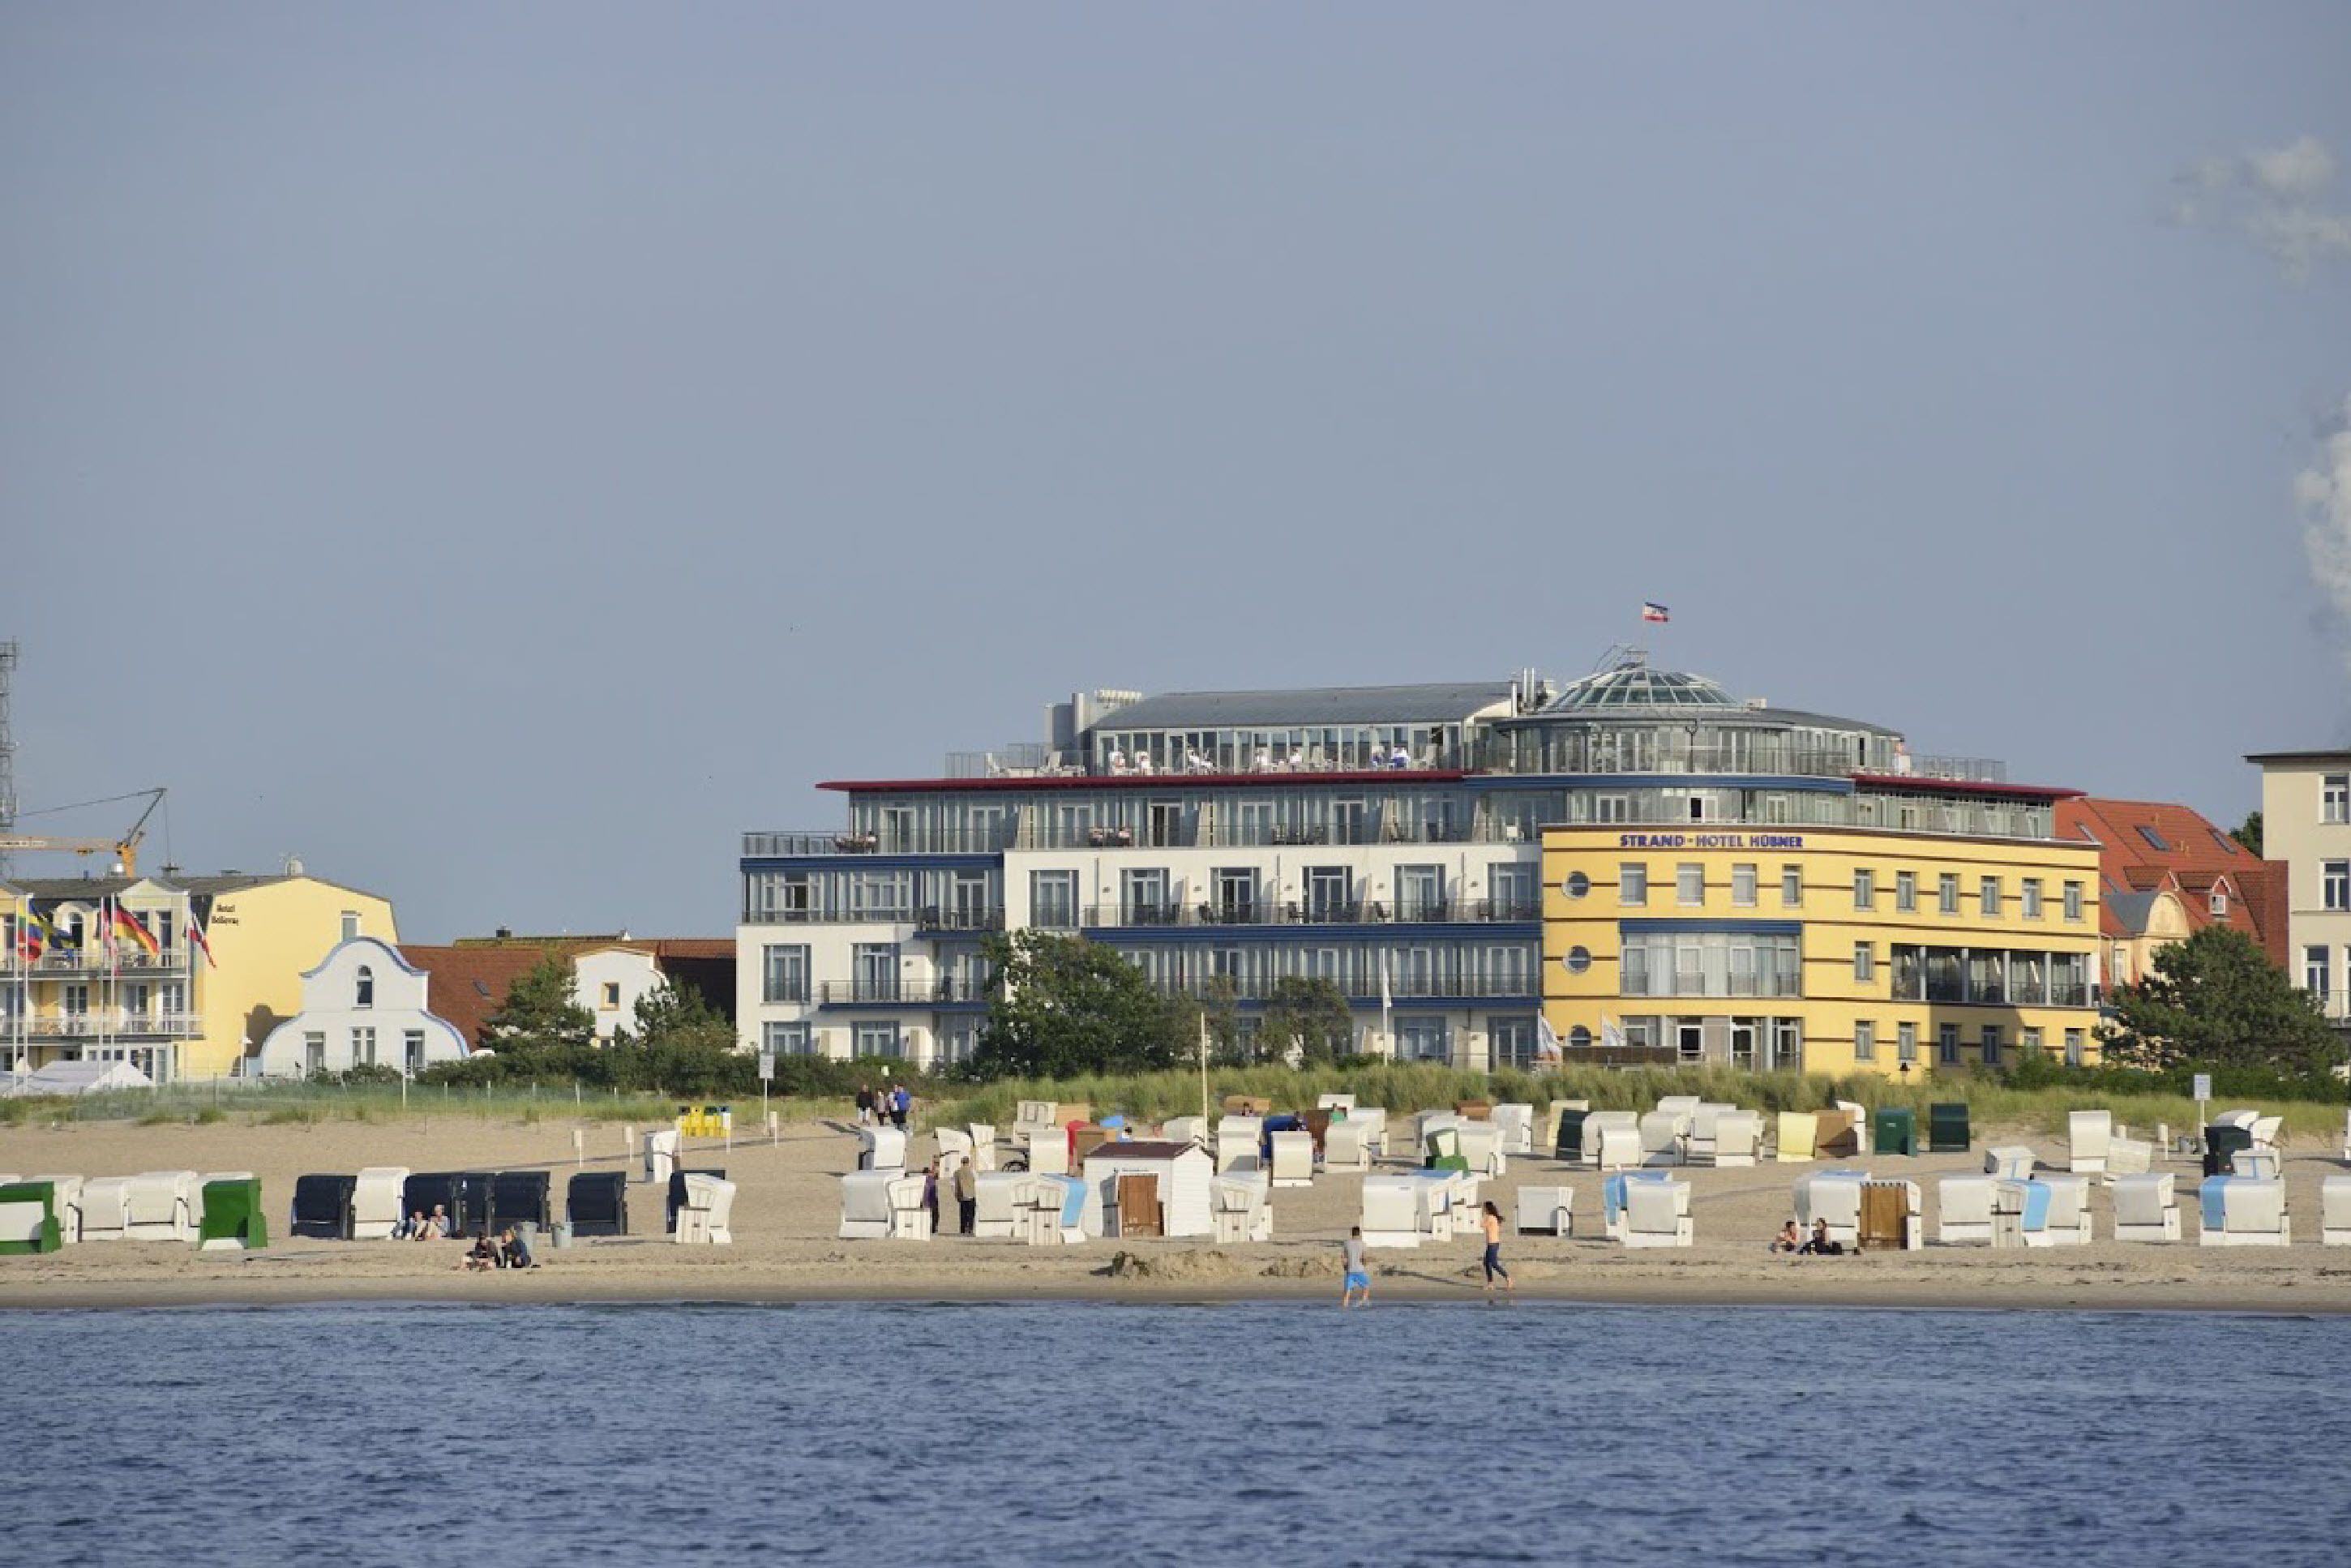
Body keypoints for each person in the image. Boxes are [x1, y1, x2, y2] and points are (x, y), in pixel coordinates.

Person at [1480, 1201, 1514, 1295]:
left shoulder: (1490, 1218)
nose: (1483, 1209)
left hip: (1493, 1244)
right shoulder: (1493, 1217)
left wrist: (1483, 1216)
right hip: (1492, 1243)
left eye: (1484, 1208)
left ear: (1487, 1208)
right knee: (1486, 1263)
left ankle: (1508, 1279)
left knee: (1493, 1264)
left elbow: (1481, 1225)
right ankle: (1490, 1283)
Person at [1340, 1225, 1371, 1309]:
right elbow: (1364, 1258)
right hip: (1360, 1270)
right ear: (1359, 1233)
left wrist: (1345, 1267)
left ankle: (1344, 1307)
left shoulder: (1346, 1243)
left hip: (1350, 1270)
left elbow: (1343, 1258)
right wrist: (1365, 1264)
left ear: (1352, 1233)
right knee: (1366, 1287)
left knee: (1347, 1291)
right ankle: (1360, 1303)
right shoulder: (1363, 1244)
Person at [954, 1155, 978, 1236]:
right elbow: (976, 1181)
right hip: (971, 1195)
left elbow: (954, 1185)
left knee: (963, 1214)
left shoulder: (957, 1172)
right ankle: (970, 1229)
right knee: (971, 1213)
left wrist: (957, 1195)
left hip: (962, 1195)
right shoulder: (972, 1171)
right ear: (968, 1162)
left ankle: (963, 1229)